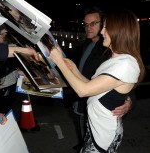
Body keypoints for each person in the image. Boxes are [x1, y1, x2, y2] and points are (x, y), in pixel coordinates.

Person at [50, 9, 145, 152]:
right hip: (96, 127)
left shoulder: (126, 64)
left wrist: (60, 63)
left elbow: (83, 91)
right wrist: (74, 69)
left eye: (105, 27)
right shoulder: (116, 59)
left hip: (103, 134)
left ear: (118, 31)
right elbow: (91, 86)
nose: (101, 32)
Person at [70, 7, 133, 151]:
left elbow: (127, 81)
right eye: (86, 24)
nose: (88, 28)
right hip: (81, 104)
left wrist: (129, 102)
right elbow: (77, 69)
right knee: (85, 135)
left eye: (93, 23)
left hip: (97, 108)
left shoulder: (110, 51)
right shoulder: (86, 44)